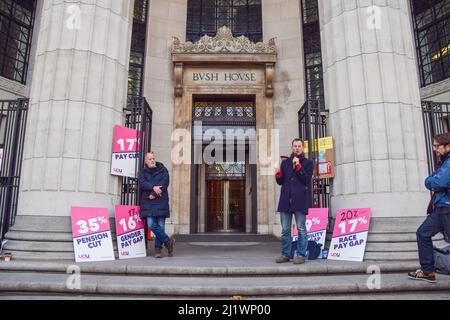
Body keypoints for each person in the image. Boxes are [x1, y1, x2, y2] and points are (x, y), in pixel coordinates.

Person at [408, 133, 450, 283]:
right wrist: (432, 180)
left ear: (447, 146)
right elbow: (431, 180)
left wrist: (432, 181)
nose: (434, 149)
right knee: (422, 233)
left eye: (436, 146)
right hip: (440, 208)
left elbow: (437, 183)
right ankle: (428, 271)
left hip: (447, 207)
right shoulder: (444, 162)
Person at [275, 138, 313, 264]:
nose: (297, 148)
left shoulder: (308, 163)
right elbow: (281, 182)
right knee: (285, 229)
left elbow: (306, 180)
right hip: (286, 200)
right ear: (291, 148)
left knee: (301, 228)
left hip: (300, 200)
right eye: (295, 146)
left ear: (303, 148)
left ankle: (301, 255)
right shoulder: (285, 163)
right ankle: (286, 254)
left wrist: (298, 166)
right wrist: (278, 173)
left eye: (299, 146)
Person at [139, 152, 175, 258]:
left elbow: (164, 184)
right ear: (145, 161)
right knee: (151, 224)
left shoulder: (163, 170)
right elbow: (142, 183)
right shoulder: (142, 172)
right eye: (149, 159)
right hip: (148, 203)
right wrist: (153, 188)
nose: (152, 160)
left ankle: (158, 250)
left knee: (160, 226)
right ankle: (168, 241)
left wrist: (154, 194)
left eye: (153, 158)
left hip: (160, 201)